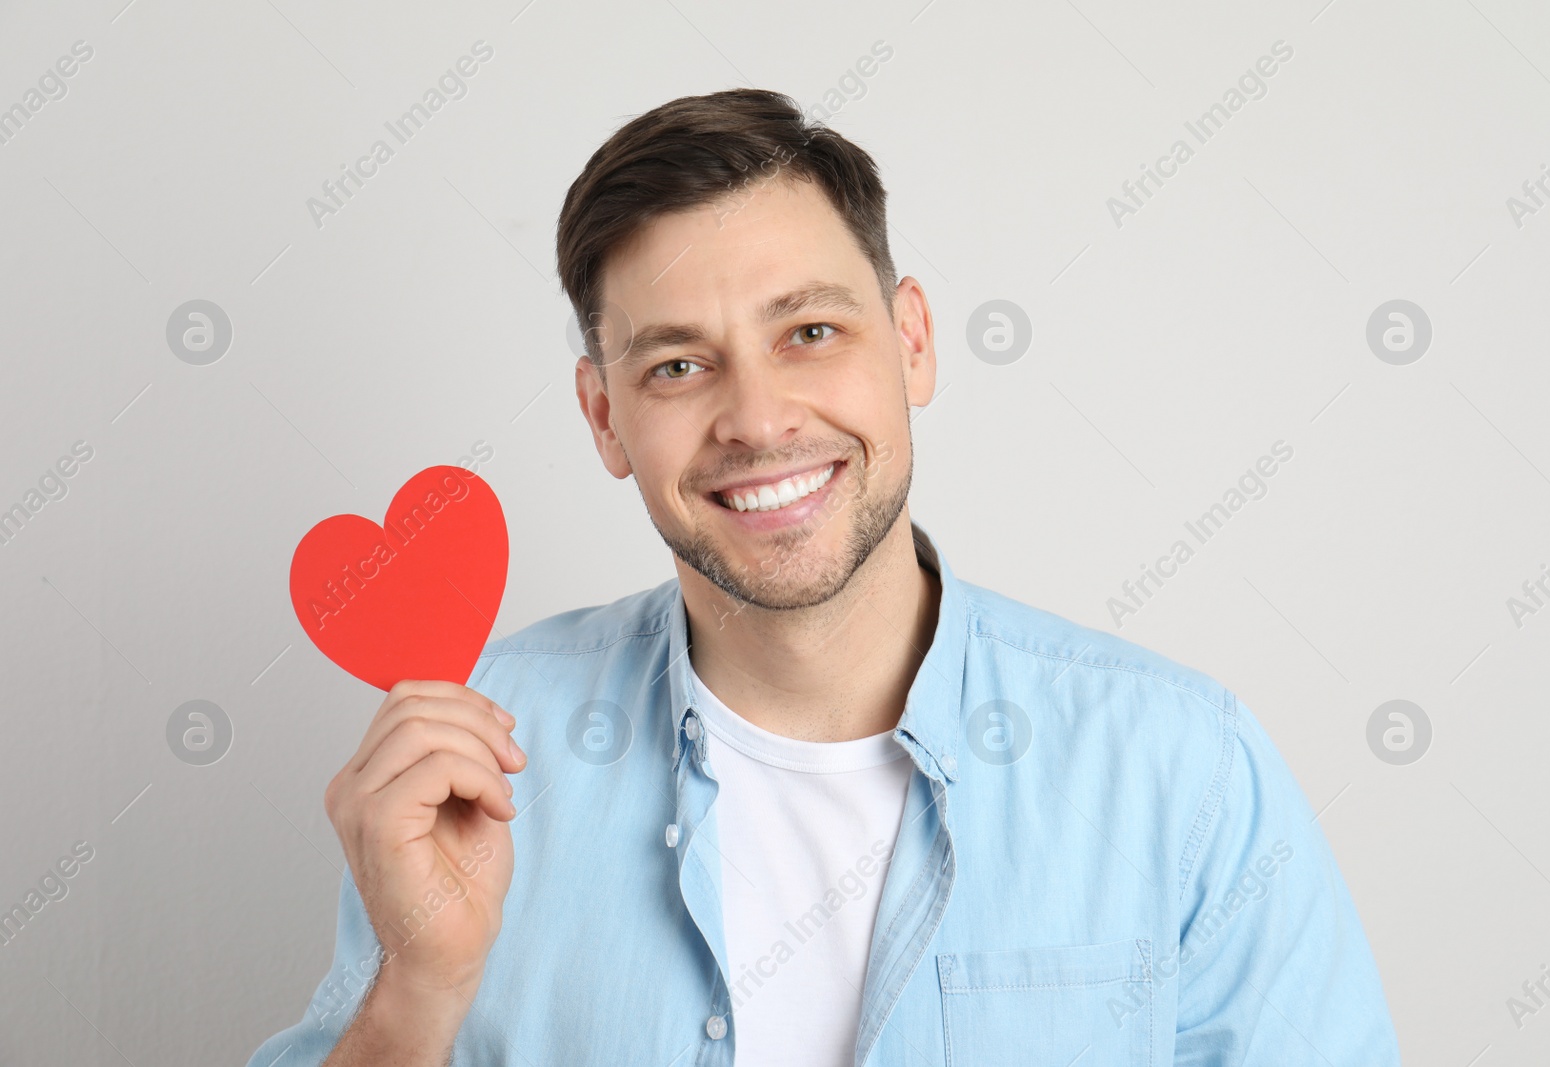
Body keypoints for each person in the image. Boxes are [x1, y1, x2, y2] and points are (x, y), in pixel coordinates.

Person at [246, 88, 1402, 1066]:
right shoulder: (480, 744)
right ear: (605, 418)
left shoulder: (1180, 763)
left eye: (808, 332)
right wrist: (418, 990)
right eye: (679, 364)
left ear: (911, 343)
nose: (755, 419)